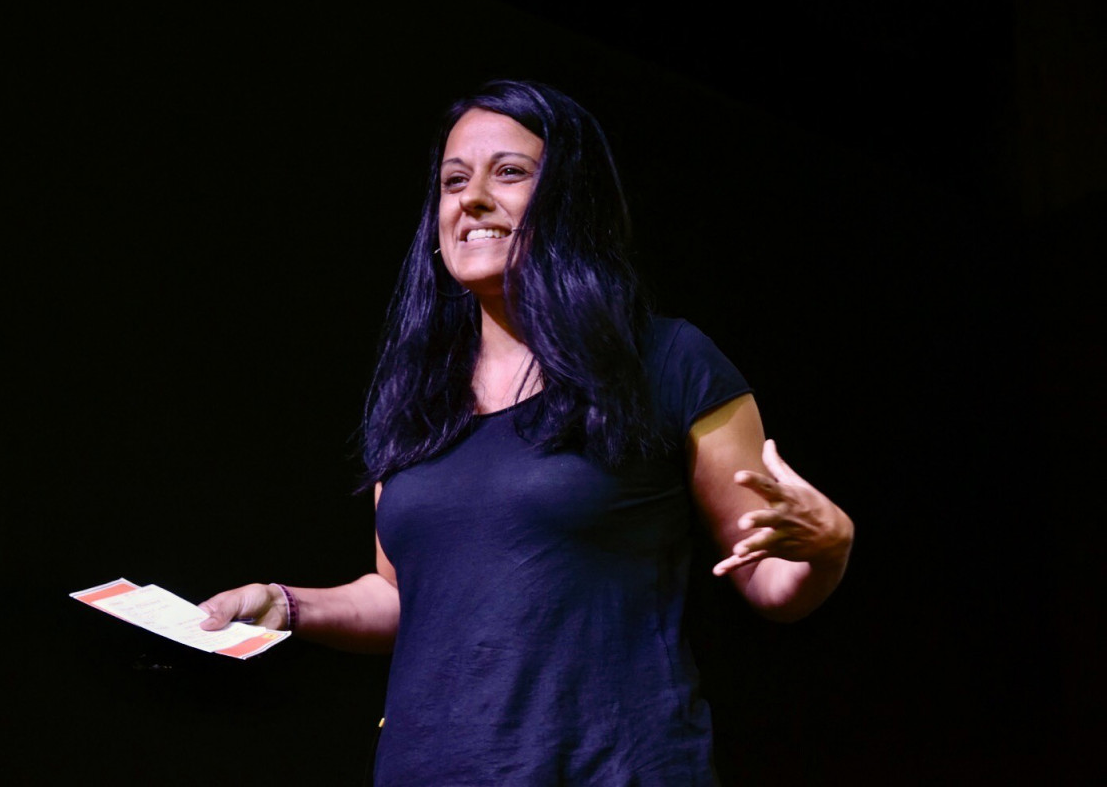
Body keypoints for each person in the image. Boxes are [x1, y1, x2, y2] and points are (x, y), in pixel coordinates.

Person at [198, 79, 854, 785]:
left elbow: (768, 578)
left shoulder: (666, 362)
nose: (471, 199)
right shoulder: (415, 395)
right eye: (453, 181)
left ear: (571, 198)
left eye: (508, 172)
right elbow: (401, 598)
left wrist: (828, 546)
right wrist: (288, 604)